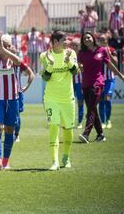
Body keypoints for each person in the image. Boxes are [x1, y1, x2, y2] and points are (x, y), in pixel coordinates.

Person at [0, 33, 31, 170]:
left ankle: (6, 161)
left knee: (10, 129)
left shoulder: (15, 60)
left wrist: (4, 49)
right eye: (1, 45)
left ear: (11, 47)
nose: (3, 48)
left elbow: (20, 64)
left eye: (6, 45)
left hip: (12, 100)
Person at [39, 30, 79, 171]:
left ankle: (66, 157)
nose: (66, 43)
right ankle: (54, 161)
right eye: (64, 40)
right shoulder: (44, 55)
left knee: (68, 129)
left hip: (68, 99)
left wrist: (68, 62)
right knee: (54, 127)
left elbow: (75, 72)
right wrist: (50, 64)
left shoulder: (71, 53)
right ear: (55, 42)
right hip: (51, 99)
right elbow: (45, 77)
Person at [78, 32, 124, 143]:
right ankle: (101, 134)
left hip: (98, 83)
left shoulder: (102, 50)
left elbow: (109, 65)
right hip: (85, 84)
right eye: (84, 39)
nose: (87, 40)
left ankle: (86, 134)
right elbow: (79, 65)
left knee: (91, 109)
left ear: (93, 38)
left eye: (88, 37)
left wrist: (120, 75)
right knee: (92, 109)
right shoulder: (81, 52)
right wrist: (80, 66)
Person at [97, 34, 118, 129]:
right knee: (101, 100)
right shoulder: (97, 51)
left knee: (107, 98)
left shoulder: (112, 50)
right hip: (100, 80)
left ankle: (108, 120)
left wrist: (108, 53)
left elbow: (116, 62)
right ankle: (103, 122)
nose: (101, 41)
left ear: (107, 40)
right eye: (100, 39)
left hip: (110, 79)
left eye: (103, 39)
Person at [70, 38, 84, 128]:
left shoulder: (83, 55)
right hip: (70, 83)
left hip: (80, 82)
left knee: (80, 102)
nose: (74, 47)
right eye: (73, 45)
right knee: (69, 103)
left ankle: (79, 122)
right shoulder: (69, 56)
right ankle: (69, 122)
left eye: (76, 45)